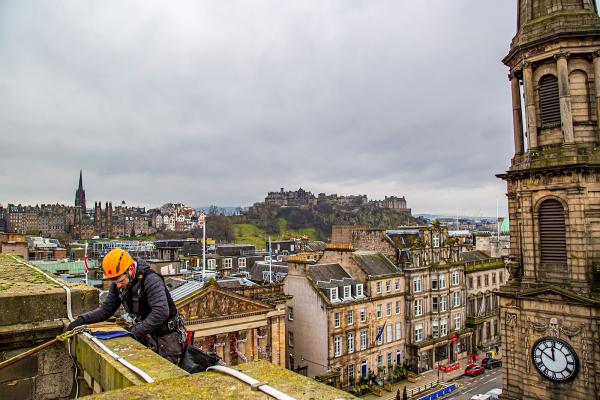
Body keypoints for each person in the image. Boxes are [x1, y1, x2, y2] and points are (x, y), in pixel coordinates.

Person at [67, 248, 185, 364]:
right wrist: (82, 320)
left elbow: (161, 312)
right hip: (146, 334)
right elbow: (107, 309)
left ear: (131, 269)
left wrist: (134, 332)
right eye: (115, 282)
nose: (118, 286)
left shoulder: (151, 280)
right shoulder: (119, 281)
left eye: (121, 281)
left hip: (166, 339)